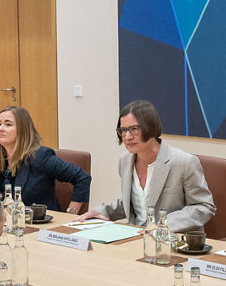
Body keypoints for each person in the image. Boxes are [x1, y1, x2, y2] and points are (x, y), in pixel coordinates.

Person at [77, 99, 215, 232]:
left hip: (171, 242)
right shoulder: (125, 160)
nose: (127, 136)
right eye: (123, 130)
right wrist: (101, 211)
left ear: (151, 127)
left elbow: (204, 206)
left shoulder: (184, 162)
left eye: (134, 129)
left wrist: (163, 225)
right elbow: (136, 202)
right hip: (135, 238)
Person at [0, 105, 91, 213]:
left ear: (23, 130)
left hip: (38, 223)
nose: (1, 128)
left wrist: (70, 215)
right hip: (5, 224)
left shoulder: (40, 157)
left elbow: (82, 177)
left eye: (8, 124)